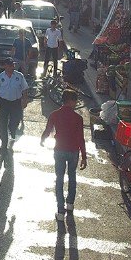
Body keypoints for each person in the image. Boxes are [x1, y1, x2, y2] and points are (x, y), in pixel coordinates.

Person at [41, 90, 88, 221]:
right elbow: (81, 139)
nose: (76, 103)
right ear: (71, 101)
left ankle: (60, 211)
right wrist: (84, 156)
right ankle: (70, 204)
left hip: (59, 150)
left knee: (59, 179)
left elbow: (48, 130)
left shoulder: (54, 114)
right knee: (72, 177)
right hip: (73, 151)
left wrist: (42, 139)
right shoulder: (78, 118)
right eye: (75, 101)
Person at [0, 59, 29, 151]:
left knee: (16, 120)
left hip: (16, 102)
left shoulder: (19, 76)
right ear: (5, 66)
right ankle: (4, 142)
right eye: (10, 65)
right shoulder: (0, 77)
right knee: (2, 123)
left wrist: (25, 100)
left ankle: (12, 129)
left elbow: (24, 89)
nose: (13, 67)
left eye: (13, 65)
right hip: (4, 103)